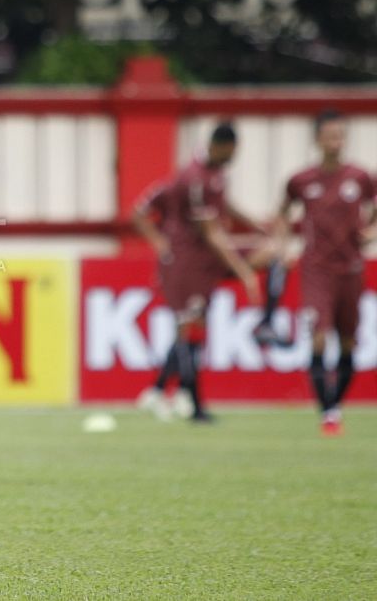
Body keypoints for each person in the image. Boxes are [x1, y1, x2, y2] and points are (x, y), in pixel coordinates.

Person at [132, 122, 271, 423]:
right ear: (219, 146)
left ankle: (161, 391)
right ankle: (190, 402)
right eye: (232, 151)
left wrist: (257, 225)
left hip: (205, 259)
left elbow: (224, 208)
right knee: (189, 329)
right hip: (187, 262)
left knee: (193, 327)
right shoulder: (190, 179)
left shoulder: (213, 175)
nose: (233, 157)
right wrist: (244, 273)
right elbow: (143, 212)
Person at [270, 110, 375, 435]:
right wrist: (283, 245)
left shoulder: (360, 177)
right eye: (330, 136)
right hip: (317, 271)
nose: (336, 143)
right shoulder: (301, 180)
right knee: (317, 337)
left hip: (351, 270)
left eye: (341, 136)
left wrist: (371, 232)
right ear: (318, 139)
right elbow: (283, 213)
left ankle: (335, 405)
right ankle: (328, 410)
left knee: (347, 344)